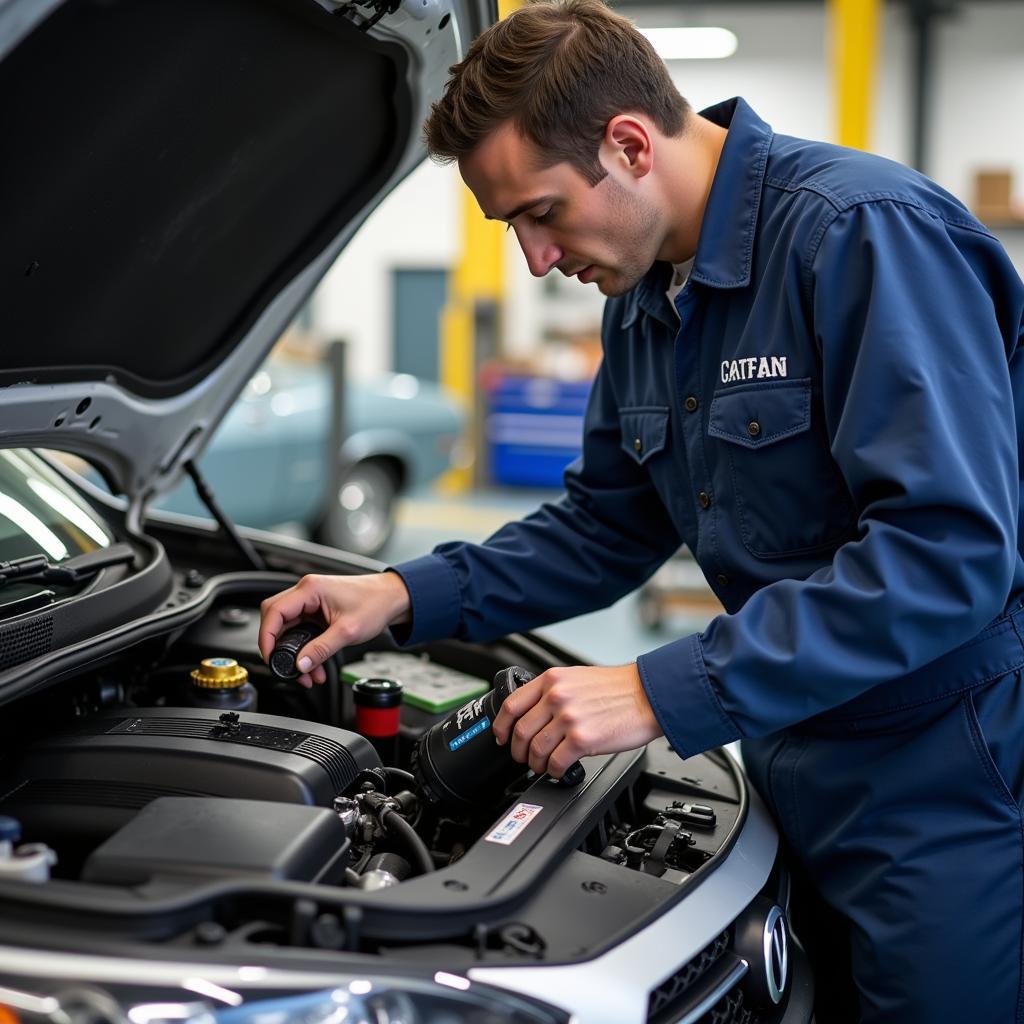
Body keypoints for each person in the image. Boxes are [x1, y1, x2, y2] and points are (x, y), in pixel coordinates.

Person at [259, 0, 1024, 1019]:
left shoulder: (860, 234)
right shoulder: (646, 303)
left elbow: (947, 556)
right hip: (788, 748)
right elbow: (605, 525)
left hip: (949, 775)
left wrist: (661, 690)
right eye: (510, 227)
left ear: (627, 144)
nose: (534, 260)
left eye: (540, 213)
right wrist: (400, 591)